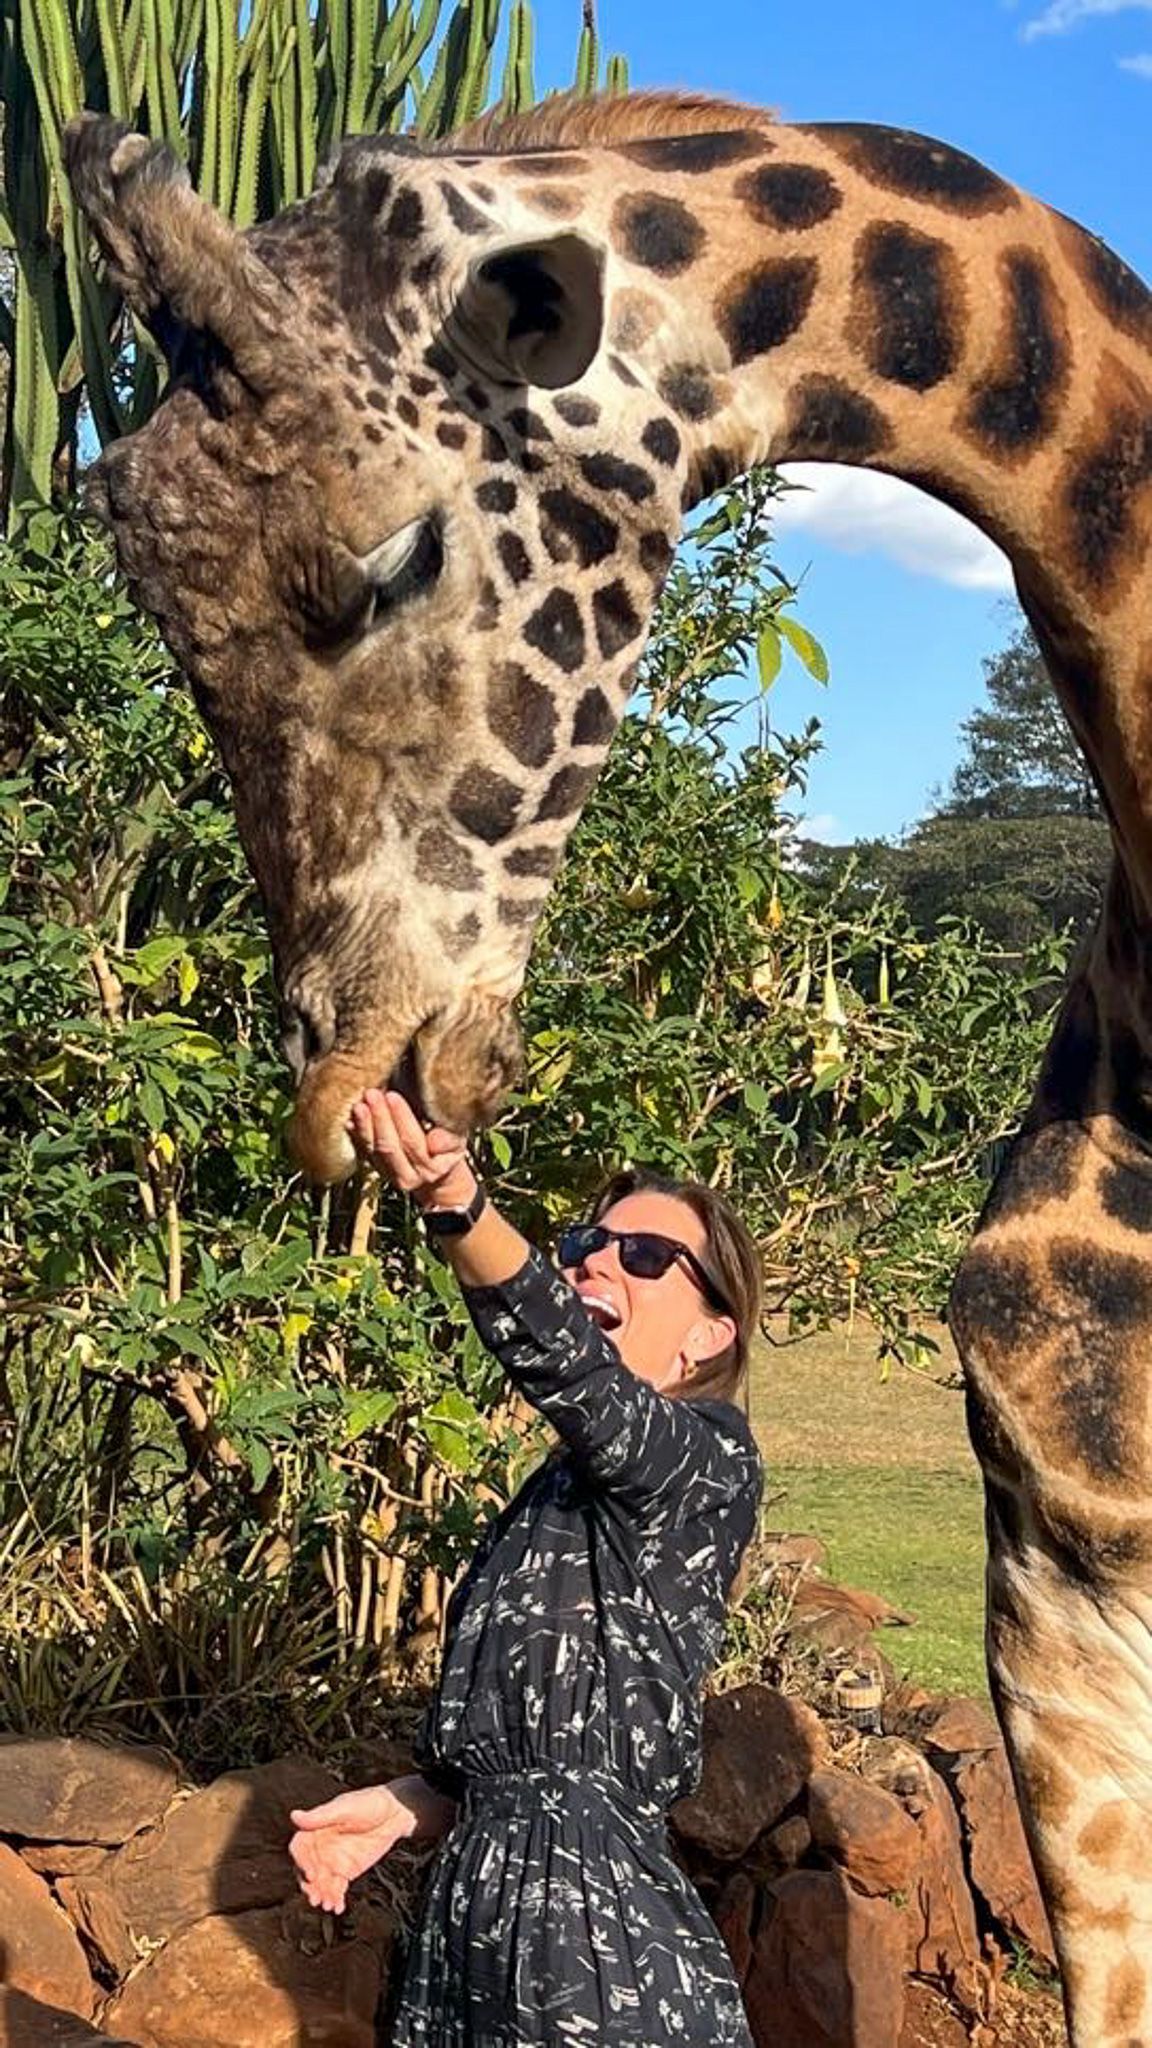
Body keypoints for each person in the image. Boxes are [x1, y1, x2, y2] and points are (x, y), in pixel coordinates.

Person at [289, 1088, 763, 2048]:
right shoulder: (557, 1497)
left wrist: (456, 1201)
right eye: (589, 1241)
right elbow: (549, 1750)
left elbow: (574, 1370)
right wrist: (409, 1807)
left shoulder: (705, 1463)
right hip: (477, 1927)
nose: (596, 1258)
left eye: (645, 1255)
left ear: (708, 1336)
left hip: (593, 1937)